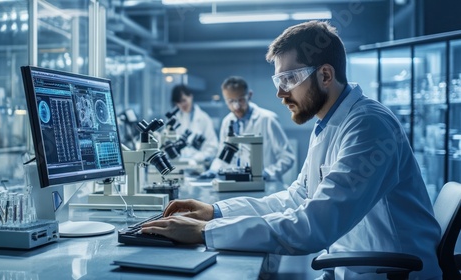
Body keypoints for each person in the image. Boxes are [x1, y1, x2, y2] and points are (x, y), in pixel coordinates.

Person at [142, 21, 442, 279]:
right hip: (353, 267)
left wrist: (206, 233)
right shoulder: (328, 123)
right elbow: (297, 197)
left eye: (289, 79)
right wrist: (215, 211)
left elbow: (314, 225)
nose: (280, 92)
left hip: (391, 273)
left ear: (325, 75)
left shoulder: (369, 127)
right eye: (278, 80)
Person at [200, 76, 296, 182]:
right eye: (230, 101)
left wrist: (267, 173)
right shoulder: (227, 122)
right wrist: (213, 170)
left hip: (267, 185)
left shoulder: (268, 119)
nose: (236, 106)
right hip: (238, 184)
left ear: (249, 95)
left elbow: (287, 158)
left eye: (240, 100)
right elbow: (223, 156)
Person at [170, 84, 218, 163]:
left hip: (199, 164)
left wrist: (198, 157)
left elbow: (212, 146)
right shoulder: (175, 120)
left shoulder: (204, 119)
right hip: (179, 163)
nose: (182, 105)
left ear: (191, 96)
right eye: (178, 102)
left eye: (184, 100)